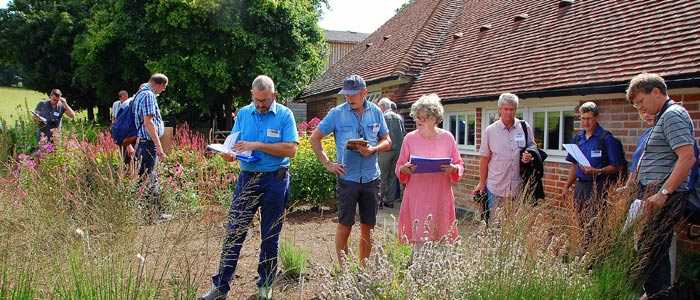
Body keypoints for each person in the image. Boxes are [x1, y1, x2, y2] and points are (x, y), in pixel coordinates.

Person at [200, 75, 298, 300]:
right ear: (252, 96)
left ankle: (265, 284)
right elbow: (234, 146)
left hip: (276, 179)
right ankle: (221, 286)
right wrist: (229, 154)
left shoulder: (285, 115)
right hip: (248, 178)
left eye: (265, 101)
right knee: (234, 232)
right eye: (257, 100)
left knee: (270, 235)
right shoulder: (244, 114)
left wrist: (258, 145)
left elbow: (291, 149)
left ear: (274, 96)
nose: (261, 105)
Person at [310, 74, 391, 265]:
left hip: (371, 178)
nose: (349, 99)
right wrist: (328, 164)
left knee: (368, 227)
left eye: (353, 95)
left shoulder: (376, 112)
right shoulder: (336, 113)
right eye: (346, 95)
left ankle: (363, 269)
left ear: (364, 93)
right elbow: (315, 138)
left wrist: (374, 149)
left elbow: (387, 140)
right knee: (345, 226)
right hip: (348, 178)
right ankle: (344, 270)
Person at [627, 73, 695, 300]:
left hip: (665, 197)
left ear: (656, 92)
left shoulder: (673, 115)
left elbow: (687, 158)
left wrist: (663, 194)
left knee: (651, 251)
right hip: (653, 194)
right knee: (653, 253)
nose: (640, 107)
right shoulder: (662, 117)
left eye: (640, 101)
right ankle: (654, 294)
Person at [395, 94, 463, 253]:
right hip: (418, 195)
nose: (419, 121)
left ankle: (438, 274)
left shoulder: (448, 138)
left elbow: (459, 164)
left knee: (441, 238)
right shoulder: (409, 139)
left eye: (424, 118)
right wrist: (405, 169)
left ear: (434, 118)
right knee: (420, 240)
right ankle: (418, 273)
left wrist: (454, 169)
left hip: (440, 194)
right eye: (417, 117)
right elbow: (398, 167)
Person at [563, 101, 624, 242]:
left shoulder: (606, 138)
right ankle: (583, 254)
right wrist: (567, 186)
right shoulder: (577, 138)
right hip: (580, 186)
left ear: (596, 117)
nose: (586, 122)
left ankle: (595, 257)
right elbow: (574, 165)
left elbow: (618, 166)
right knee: (581, 221)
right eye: (583, 118)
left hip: (598, 186)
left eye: (589, 118)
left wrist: (598, 171)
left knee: (596, 223)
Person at [472, 93, 536, 222]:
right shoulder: (490, 131)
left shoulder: (523, 128)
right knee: (496, 226)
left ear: (516, 110)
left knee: (513, 227)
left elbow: (532, 147)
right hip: (496, 186)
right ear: (500, 109)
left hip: (518, 187)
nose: (508, 112)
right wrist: (482, 182)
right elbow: (484, 158)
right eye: (505, 109)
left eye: (511, 109)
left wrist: (530, 155)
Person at [133, 73, 172, 222]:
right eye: (164, 88)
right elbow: (148, 122)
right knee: (149, 178)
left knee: (145, 178)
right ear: (160, 84)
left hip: (142, 142)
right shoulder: (149, 95)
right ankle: (152, 214)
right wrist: (158, 145)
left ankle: (146, 213)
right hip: (148, 143)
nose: (163, 91)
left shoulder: (140, 93)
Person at [377, 97, 405, 208]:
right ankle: (390, 202)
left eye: (380, 106)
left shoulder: (383, 117)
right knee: (393, 177)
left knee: (382, 176)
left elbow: (379, 134)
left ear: (383, 106)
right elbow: (403, 133)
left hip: (385, 150)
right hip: (397, 150)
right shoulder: (398, 118)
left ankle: (378, 201)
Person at [112, 90, 135, 167]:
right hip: (122, 132)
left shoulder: (130, 103)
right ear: (120, 97)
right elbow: (115, 118)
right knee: (126, 158)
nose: (125, 98)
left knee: (129, 158)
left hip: (126, 133)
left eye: (126, 96)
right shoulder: (126, 106)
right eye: (124, 97)